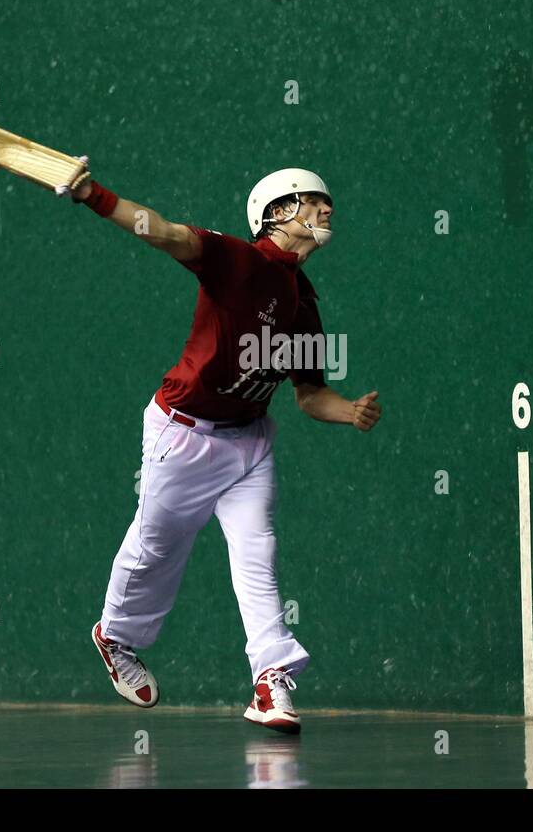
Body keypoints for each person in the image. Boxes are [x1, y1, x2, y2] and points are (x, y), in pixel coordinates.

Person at [64, 161, 382, 733]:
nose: (327, 209)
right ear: (279, 213)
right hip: (183, 432)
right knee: (156, 549)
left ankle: (271, 682)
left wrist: (350, 411)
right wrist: (94, 195)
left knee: (258, 554)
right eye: (313, 201)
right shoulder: (238, 261)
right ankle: (115, 636)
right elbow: (159, 230)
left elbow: (310, 397)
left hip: (249, 443)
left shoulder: (303, 303)